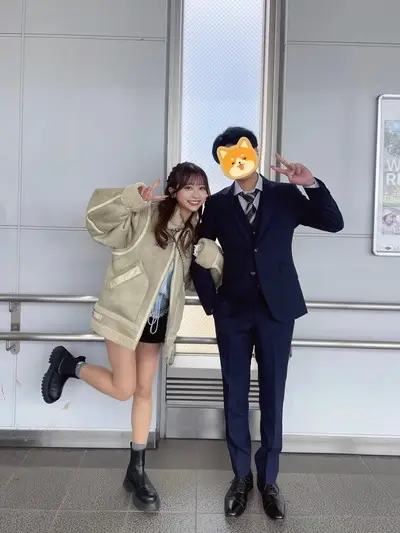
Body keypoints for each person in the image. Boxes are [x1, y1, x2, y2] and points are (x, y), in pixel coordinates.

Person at [40, 162, 222, 512]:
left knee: (143, 391)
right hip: (124, 316)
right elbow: (96, 222)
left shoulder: (195, 232)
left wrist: (210, 255)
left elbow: (198, 281)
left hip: (157, 323)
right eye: (189, 187)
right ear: (173, 191)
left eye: (202, 188)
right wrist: (128, 200)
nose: (197, 194)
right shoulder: (146, 214)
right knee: (124, 389)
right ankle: (69, 366)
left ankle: (136, 470)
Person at [191, 126, 344, 521]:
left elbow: (333, 222)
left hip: (278, 310)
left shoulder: (285, 195)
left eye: (241, 151)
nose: (237, 160)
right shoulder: (217, 204)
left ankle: (269, 480)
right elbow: (199, 253)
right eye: (226, 155)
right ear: (223, 162)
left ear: (254, 151)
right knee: (235, 395)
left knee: (273, 394)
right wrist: (212, 305)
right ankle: (241, 477)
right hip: (233, 312)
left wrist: (310, 184)